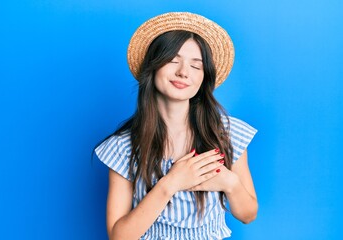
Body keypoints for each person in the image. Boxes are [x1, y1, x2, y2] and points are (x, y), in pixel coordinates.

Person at [95, 12, 258, 240]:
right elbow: (119, 237)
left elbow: (248, 214)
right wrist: (170, 183)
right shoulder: (123, 147)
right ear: (153, 66)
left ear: (204, 79)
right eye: (173, 60)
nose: (183, 72)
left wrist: (229, 182)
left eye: (196, 66)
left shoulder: (228, 133)